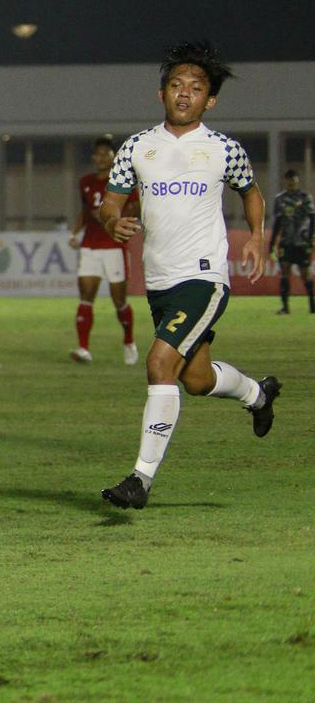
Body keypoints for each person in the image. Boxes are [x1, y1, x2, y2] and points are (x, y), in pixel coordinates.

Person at [98, 41, 281, 510]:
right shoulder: (137, 147)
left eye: (196, 88)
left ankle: (140, 479)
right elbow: (111, 203)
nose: (184, 93)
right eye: (176, 85)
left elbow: (251, 192)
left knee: (159, 364)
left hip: (204, 277)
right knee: (196, 380)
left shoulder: (224, 149)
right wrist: (112, 221)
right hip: (159, 281)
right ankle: (258, 394)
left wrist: (257, 236)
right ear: (161, 93)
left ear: (210, 100)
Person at [69, 137, 140, 365]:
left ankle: (129, 342)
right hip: (90, 245)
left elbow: (136, 207)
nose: (100, 158)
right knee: (86, 297)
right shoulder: (86, 182)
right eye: (97, 154)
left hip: (114, 246)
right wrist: (75, 233)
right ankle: (83, 348)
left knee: (119, 300)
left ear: (113, 157)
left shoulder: (122, 181)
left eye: (105, 154)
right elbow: (85, 211)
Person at [268, 170, 315, 314]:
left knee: (305, 274)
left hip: (302, 241)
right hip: (286, 242)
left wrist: (311, 237)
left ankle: (312, 305)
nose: (291, 183)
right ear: (286, 181)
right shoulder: (280, 199)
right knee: (285, 272)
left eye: (293, 180)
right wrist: (272, 243)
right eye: (289, 180)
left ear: (297, 181)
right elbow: (277, 223)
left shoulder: (305, 197)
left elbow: (312, 218)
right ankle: (285, 307)